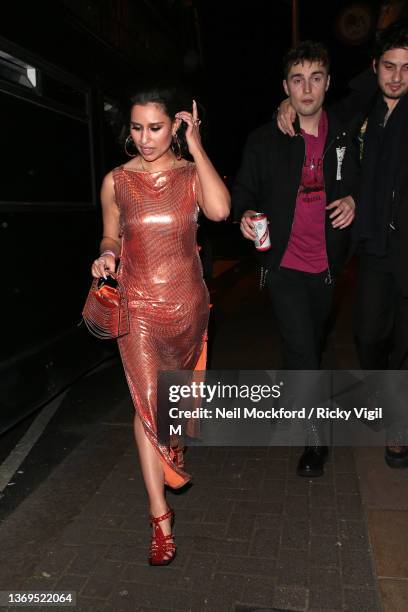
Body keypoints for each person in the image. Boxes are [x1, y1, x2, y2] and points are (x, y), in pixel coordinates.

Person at [90, 85, 230, 565]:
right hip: (139, 309)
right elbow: (111, 231)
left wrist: (198, 145)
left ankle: (172, 444)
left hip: (188, 306)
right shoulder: (117, 181)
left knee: (173, 404)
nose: (145, 138)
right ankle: (160, 519)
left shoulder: (192, 175)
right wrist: (107, 253)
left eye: (156, 127)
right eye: (136, 127)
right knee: (146, 403)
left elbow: (219, 211)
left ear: (175, 125)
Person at [277, 21, 408, 468]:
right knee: (369, 335)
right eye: (388, 67)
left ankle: (398, 426)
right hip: (373, 249)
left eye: (406, 68)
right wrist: (287, 104)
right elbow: (316, 107)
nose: (397, 76)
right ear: (376, 68)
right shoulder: (360, 112)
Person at [233, 41, 359, 477]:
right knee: (305, 351)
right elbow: (242, 195)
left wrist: (355, 201)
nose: (307, 88)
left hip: (327, 268)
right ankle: (316, 438)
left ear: (328, 83)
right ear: (285, 86)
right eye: (297, 79)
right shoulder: (265, 140)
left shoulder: (346, 134)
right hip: (282, 267)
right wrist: (245, 214)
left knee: (304, 344)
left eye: (316, 77)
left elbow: (364, 183)